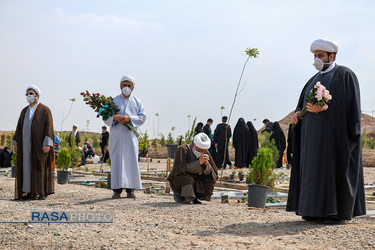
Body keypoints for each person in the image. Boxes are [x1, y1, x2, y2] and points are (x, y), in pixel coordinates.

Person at [287, 38, 366, 224]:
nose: (317, 59)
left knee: (330, 173)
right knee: (312, 172)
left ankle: (333, 214)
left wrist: (325, 109)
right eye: (315, 56)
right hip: (311, 141)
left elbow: (352, 109)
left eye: (320, 55)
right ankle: (311, 210)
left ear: (332, 55)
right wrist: (298, 114)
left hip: (332, 141)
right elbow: (304, 105)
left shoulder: (345, 75)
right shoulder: (312, 80)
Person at [104, 75, 146, 199]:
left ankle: (130, 190)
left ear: (133, 88)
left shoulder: (138, 102)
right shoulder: (113, 101)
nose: (126, 87)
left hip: (130, 136)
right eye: (124, 85)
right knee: (116, 161)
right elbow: (105, 116)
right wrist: (115, 118)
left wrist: (129, 119)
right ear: (120, 86)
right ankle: (116, 190)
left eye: (129, 85)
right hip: (117, 136)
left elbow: (142, 117)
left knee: (130, 160)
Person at [12, 85, 55, 200]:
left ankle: (40, 192)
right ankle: (28, 192)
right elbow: (19, 127)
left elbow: (49, 127)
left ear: (37, 95)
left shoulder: (45, 110)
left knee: (39, 167)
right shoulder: (24, 110)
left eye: (31, 93)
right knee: (26, 167)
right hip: (25, 145)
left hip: (39, 145)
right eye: (27, 94)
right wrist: (15, 143)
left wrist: (47, 143)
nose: (29, 96)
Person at [167, 133, 218, 204]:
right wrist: (198, 163)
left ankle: (198, 197)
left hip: (196, 178)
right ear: (193, 145)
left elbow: (214, 172)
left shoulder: (205, 152)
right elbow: (180, 169)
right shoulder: (183, 149)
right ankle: (185, 197)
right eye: (199, 151)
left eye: (204, 151)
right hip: (182, 180)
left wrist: (206, 164)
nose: (202, 153)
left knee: (210, 176)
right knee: (186, 177)